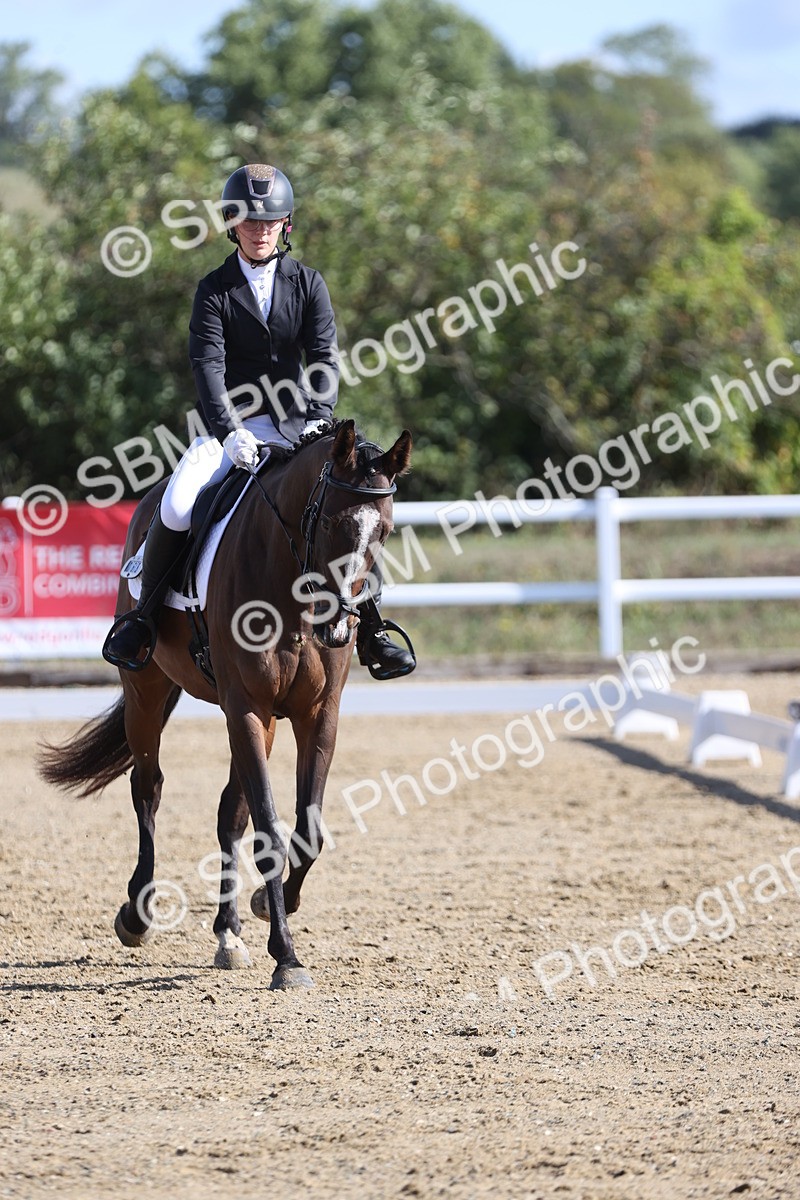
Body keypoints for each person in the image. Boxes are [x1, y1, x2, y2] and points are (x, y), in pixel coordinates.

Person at [104, 162, 415, 679]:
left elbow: (322, 357)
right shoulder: (214, 290)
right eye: (250, 221)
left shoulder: (309, 283)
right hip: (233, 431)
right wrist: (230, 434)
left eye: (270, 222)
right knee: (179, 503)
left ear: (285, 225)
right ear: (233, 224)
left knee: (351, 502)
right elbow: (208, 368)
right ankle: (142, 620)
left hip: (301, 431)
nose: (261, 230)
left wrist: (319, 420)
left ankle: (372, 628)